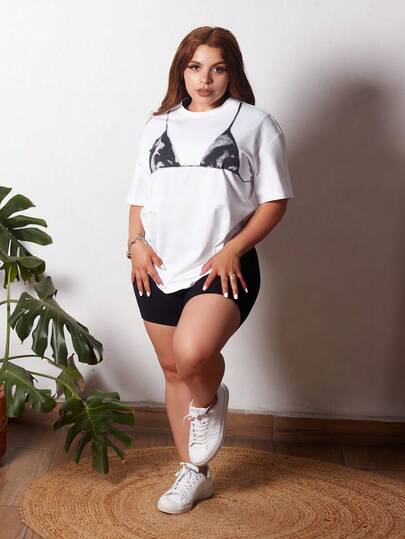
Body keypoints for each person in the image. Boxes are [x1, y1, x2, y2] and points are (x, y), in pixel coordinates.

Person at [126, 26, 294, 515]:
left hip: (222, 266)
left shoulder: (256, 124)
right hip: (157, 265)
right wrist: (135, 244)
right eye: (195, 67)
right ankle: (193, 474)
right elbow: (139, 197)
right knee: (173, 369)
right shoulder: (157, 125)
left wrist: (233, 249)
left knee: (193, 353)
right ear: (181, 70)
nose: (205, 79)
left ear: (231, 72)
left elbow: (275, 200)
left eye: (217, 68)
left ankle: (209, 399)